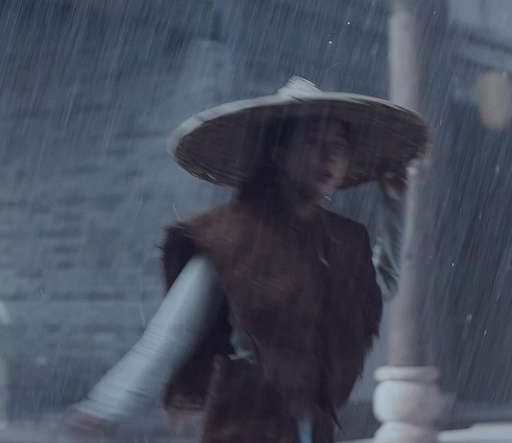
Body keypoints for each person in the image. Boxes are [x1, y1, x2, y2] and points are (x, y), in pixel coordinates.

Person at [63, 77, 430, 443]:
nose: (328, 156)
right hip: (246, 423)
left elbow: (380, 287)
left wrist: (394, 206)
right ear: (279, 154)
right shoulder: (230, 234)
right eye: (312, 141)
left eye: (339, 145)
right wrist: (104, 406)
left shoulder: (340, 239)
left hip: (314, 424)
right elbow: (171, 335)